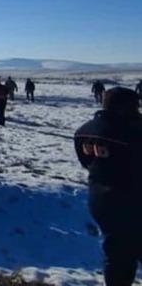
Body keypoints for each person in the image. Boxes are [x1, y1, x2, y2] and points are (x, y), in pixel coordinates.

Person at [74, 87, 142, 285]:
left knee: (117, 253)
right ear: (123, 108)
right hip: (132, 201)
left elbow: (86, 162)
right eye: (135, 107)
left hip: (101, 199)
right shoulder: (132, 133)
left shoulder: (83, 131)